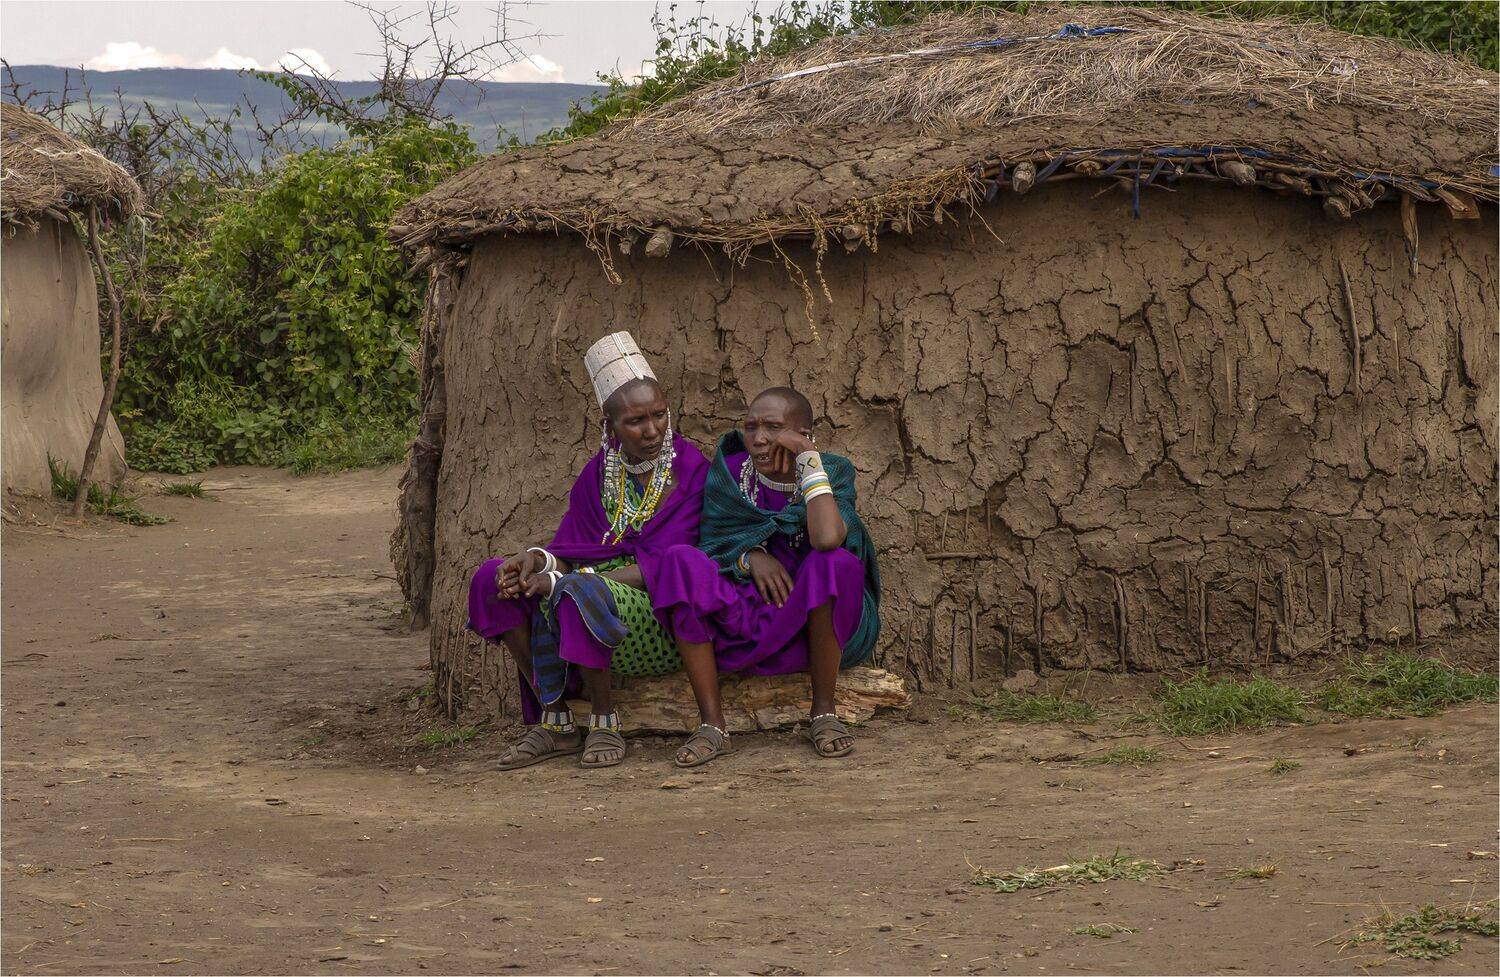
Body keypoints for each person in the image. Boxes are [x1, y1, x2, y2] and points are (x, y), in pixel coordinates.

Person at [466, 332, 708, 770]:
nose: (652, 430)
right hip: (582, 590)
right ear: (609, 426)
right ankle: (554, 717)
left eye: (659, 415)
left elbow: (672, 568)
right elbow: (573, 550)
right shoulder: (598, 476)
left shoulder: (693, 474)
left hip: (659, 614)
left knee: (579, 590)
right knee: (492, 578)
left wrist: (566, 581)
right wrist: (535, 560)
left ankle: (603, 719)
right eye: (636, 421)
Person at [650, 387, 880, 767]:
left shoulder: (833, 470)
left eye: (773, 428)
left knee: (835, 563)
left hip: (810, 622)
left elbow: (826, 538)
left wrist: (807, 460)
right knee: (679, 561)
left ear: (804, 432)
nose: (758, 439)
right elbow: (712, 543)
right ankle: (712, 725)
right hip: (745, 614)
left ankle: (823, 712)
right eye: (750, 427)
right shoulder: (729, 475)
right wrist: (749, 556)